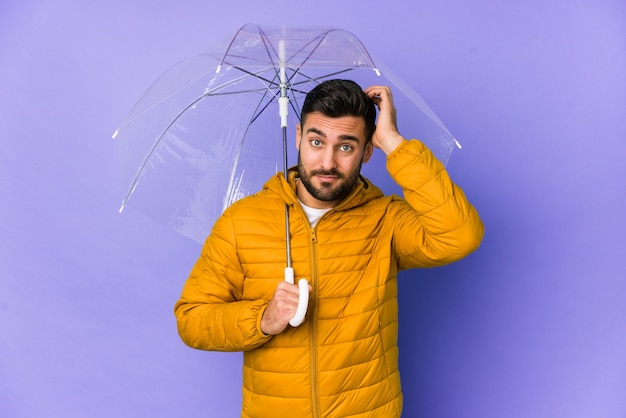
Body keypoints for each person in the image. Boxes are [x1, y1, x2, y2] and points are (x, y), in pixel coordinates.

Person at [174, 79, 484, 417]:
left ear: (368, 150)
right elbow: (192, 320)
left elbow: (462, 234)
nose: (327, 162)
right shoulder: (241, 221)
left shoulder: (386, 220)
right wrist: (263, 319)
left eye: (346, 147)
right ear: (298, 137)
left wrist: (394, 143)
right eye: (316, 141)